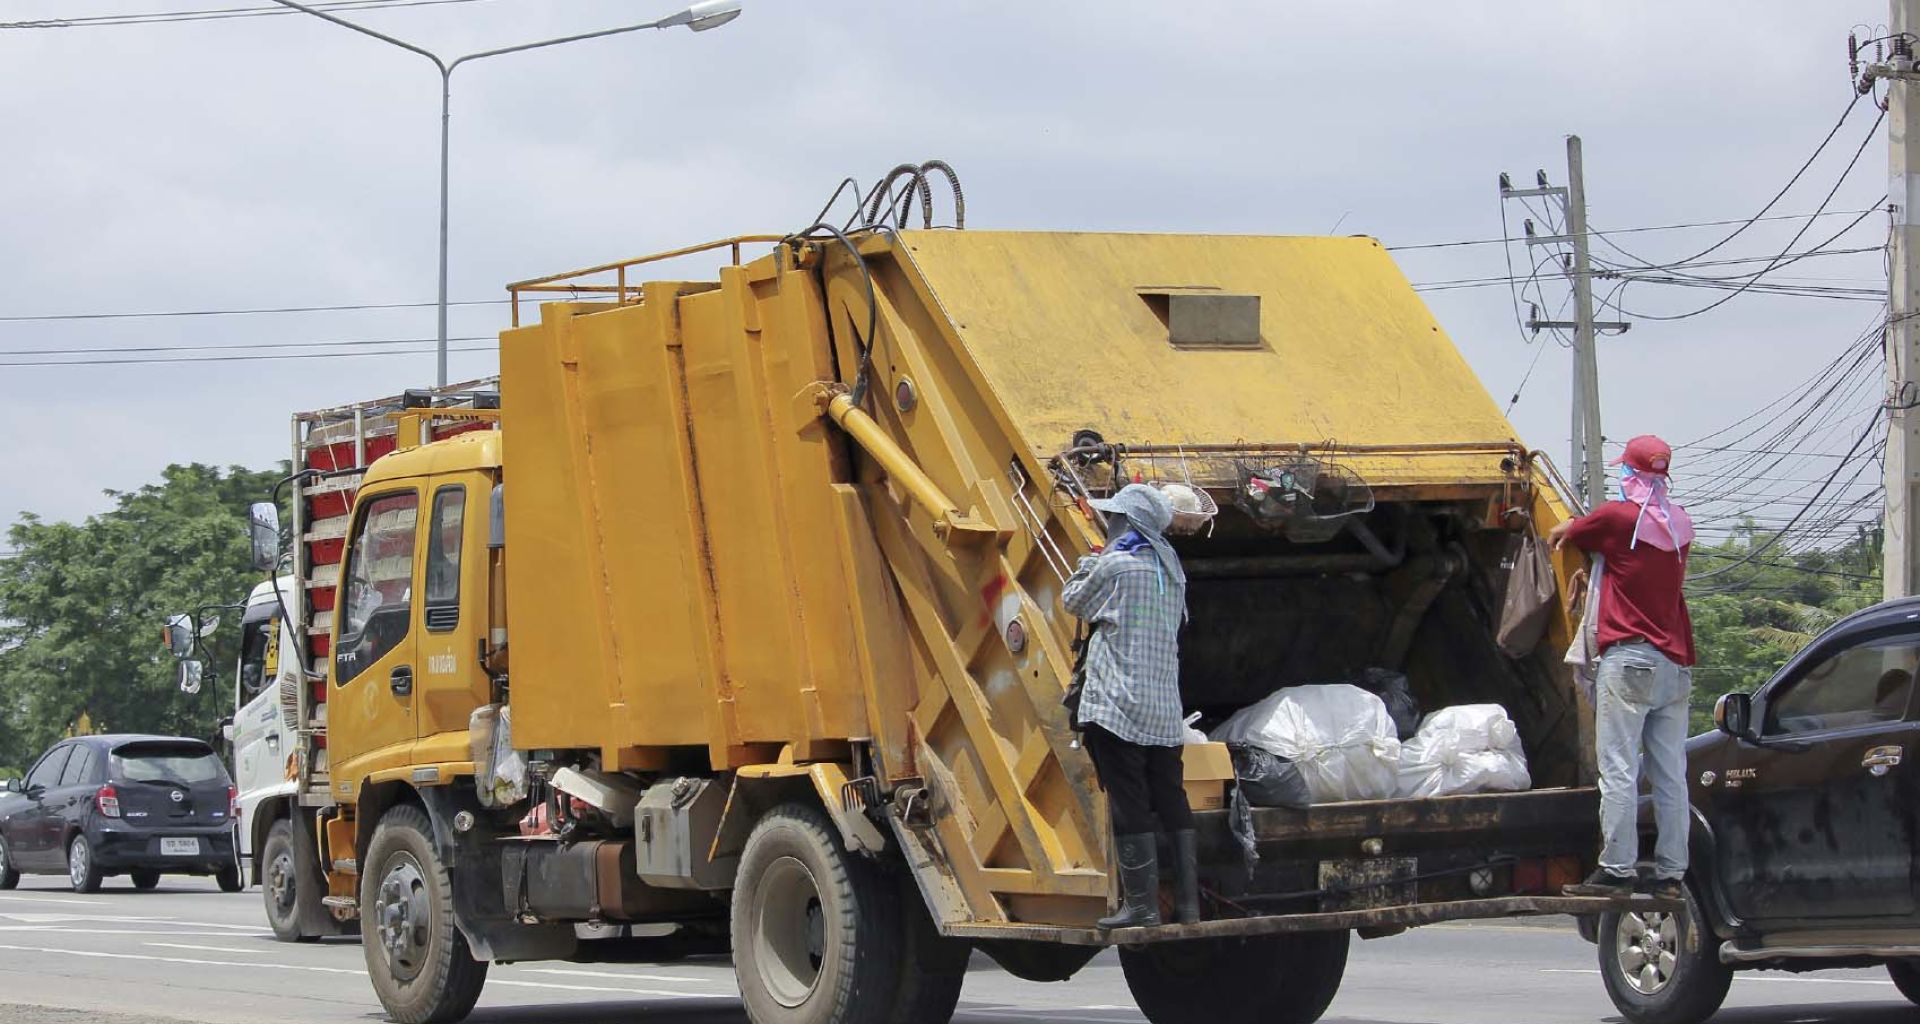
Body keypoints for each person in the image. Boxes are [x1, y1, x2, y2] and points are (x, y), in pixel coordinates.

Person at [1549, 435, 1696, 901]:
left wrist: (1570, 530)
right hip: (1675, 666)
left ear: (1629, 473)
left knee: (1617, 768)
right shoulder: (1679, 527)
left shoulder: (1617, 518)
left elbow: (1565, 532)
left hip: (1630, 659)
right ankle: (1672, 874)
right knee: (1671, 774)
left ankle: (1616, 868)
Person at [1063, 483, 1198, 928]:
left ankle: (1141, 906)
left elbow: (1073, 600)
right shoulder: (1172, 567)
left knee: (1129, 801)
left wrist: (1090, 562)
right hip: (1163, 707)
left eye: (1117, 517)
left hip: (1119, 705)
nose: (1112, 522)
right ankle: (1189, 904)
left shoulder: (1117, 564)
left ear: (1129, 521)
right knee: (1170, 796)